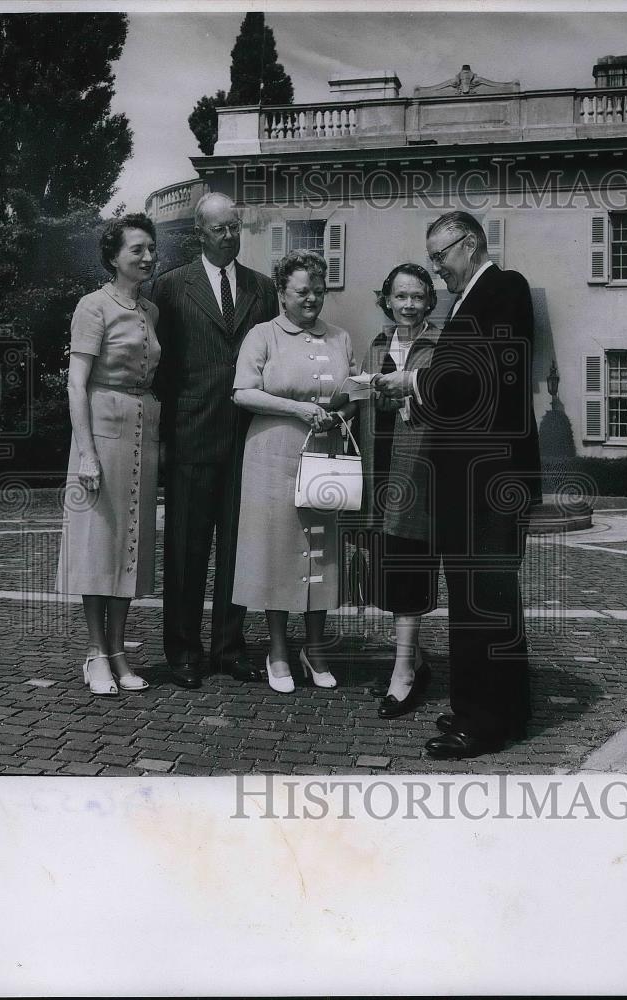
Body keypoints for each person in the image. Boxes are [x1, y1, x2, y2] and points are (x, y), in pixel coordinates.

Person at [374, 211, 541, 758]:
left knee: (483, 605)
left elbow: (477, 375)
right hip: (477, 481)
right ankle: (496, 709)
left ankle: (483, 723)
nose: (436, 268)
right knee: (481, 601)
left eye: (440, 255)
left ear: (468, 244)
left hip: (488, 482)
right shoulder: (471, 299)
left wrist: (412, 378)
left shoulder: (504, 287)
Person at [152, 192, 279, 688]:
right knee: (185, 551)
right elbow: (162, 368)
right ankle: (182, 652)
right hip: (191, 434)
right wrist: (169, 433)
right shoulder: (170, 288)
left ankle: (230, 648)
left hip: (249, 439)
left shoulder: (262, 288)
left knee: (238, 549)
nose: (231, 236)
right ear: (200, 233)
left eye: (235, 227)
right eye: (221, 229)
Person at [231, 251, 357, 693]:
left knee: (320, 551)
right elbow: (242, 392)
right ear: (282, 294)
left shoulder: (340, 337)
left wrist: (341, 411)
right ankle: (279, 650)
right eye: (302, 291)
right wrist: (300, 409)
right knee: (278, 551)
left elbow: (352, 390)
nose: (312, 299)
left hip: (324, 453)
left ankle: (316, 647)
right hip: (273, 452)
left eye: (319, 291)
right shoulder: (262, 335)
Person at [56, 213, 160, 695]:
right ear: (113, 257)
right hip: (101, 427)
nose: (147, 257)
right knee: (99, 542)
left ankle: (119, 652)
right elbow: (77, 384)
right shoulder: (92, 306)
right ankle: (96, 653)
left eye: (151, 248)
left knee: (129, 545)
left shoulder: (150, 311)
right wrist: (87, 455)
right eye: (136, 249)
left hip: (143, 429)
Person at [356, 263, 442, 718]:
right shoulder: (374, 347)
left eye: (417, 297)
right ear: (387, 299)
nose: (408, 304)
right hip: (381, 474)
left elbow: (452, 401)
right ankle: (413, 658)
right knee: (388, 571)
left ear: (429, 301)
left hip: (419, 476)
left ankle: (403, 671)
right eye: (400, 296)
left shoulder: (441, 344)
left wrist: (414, 395)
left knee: (410, 570)